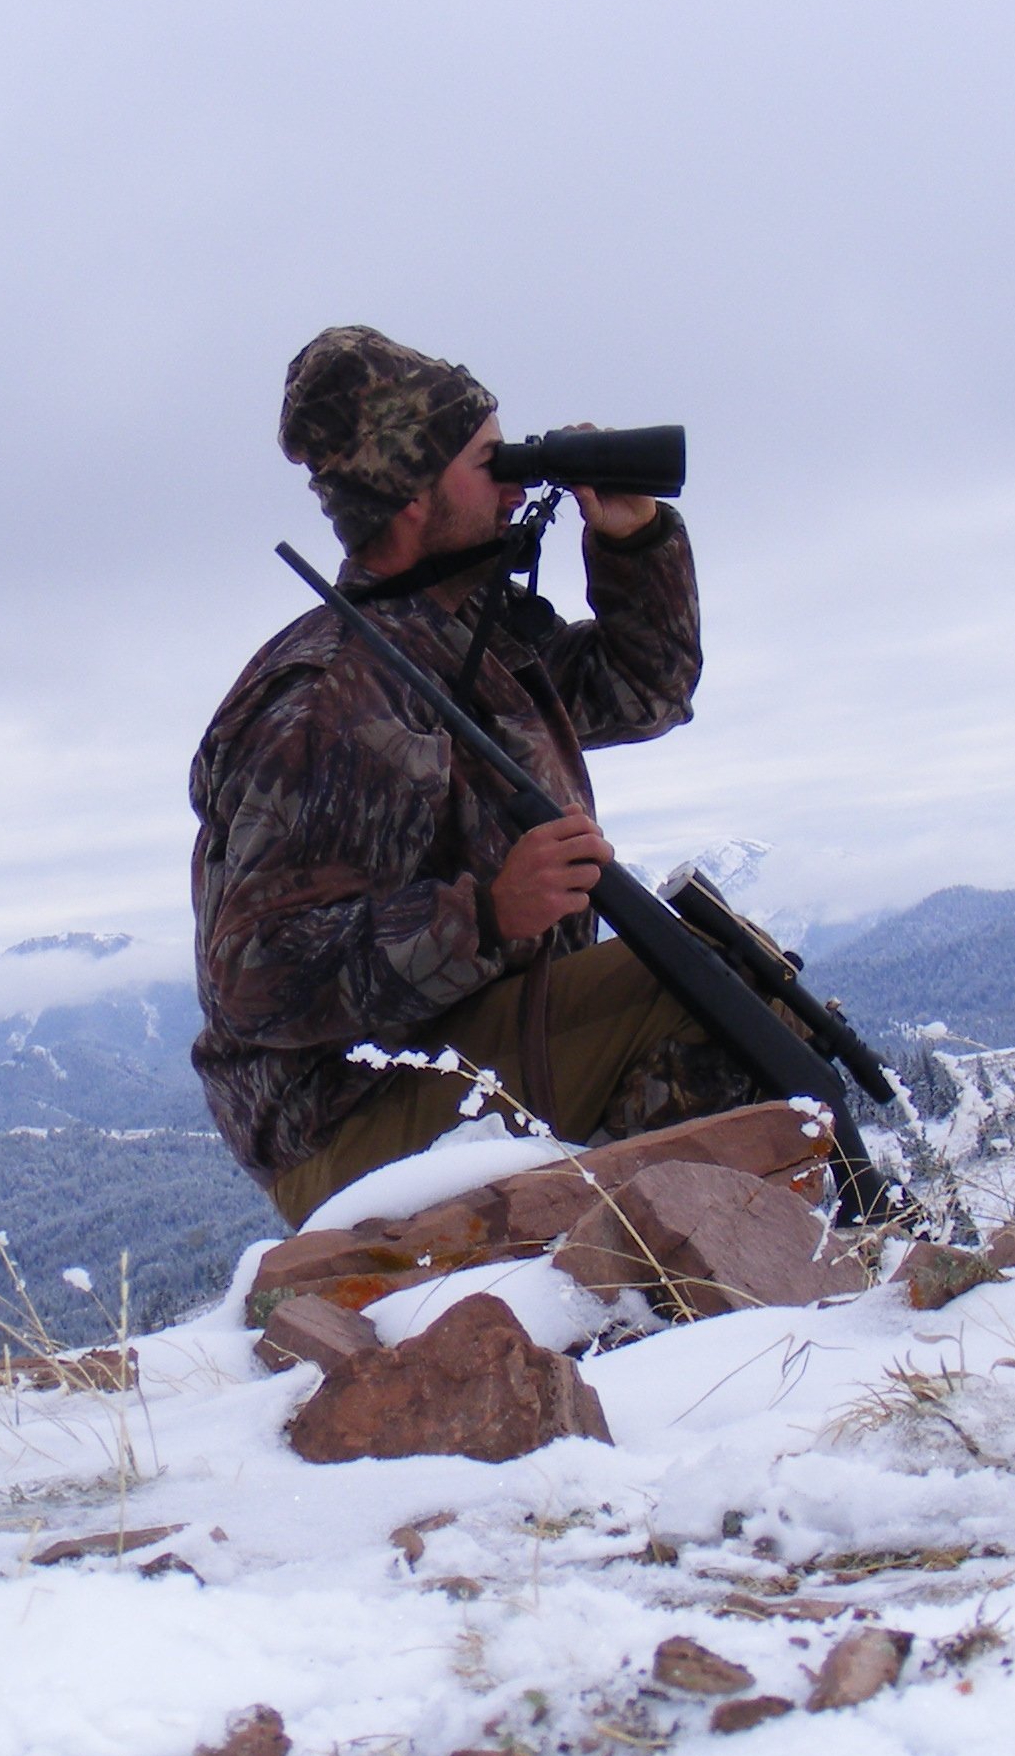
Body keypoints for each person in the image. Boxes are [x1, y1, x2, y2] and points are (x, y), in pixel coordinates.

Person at [190, 325, 757, 1227]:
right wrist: (486, 913)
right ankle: (663, 1312)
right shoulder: (326, 699)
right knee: (696, 1007)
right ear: (411, 495)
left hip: (463, 1045)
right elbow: (252, 981)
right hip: (352, 1118)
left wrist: (630, 539)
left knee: (739, 983)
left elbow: (644, 689)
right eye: (492, 460)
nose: (518, 482)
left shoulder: (467, 642)